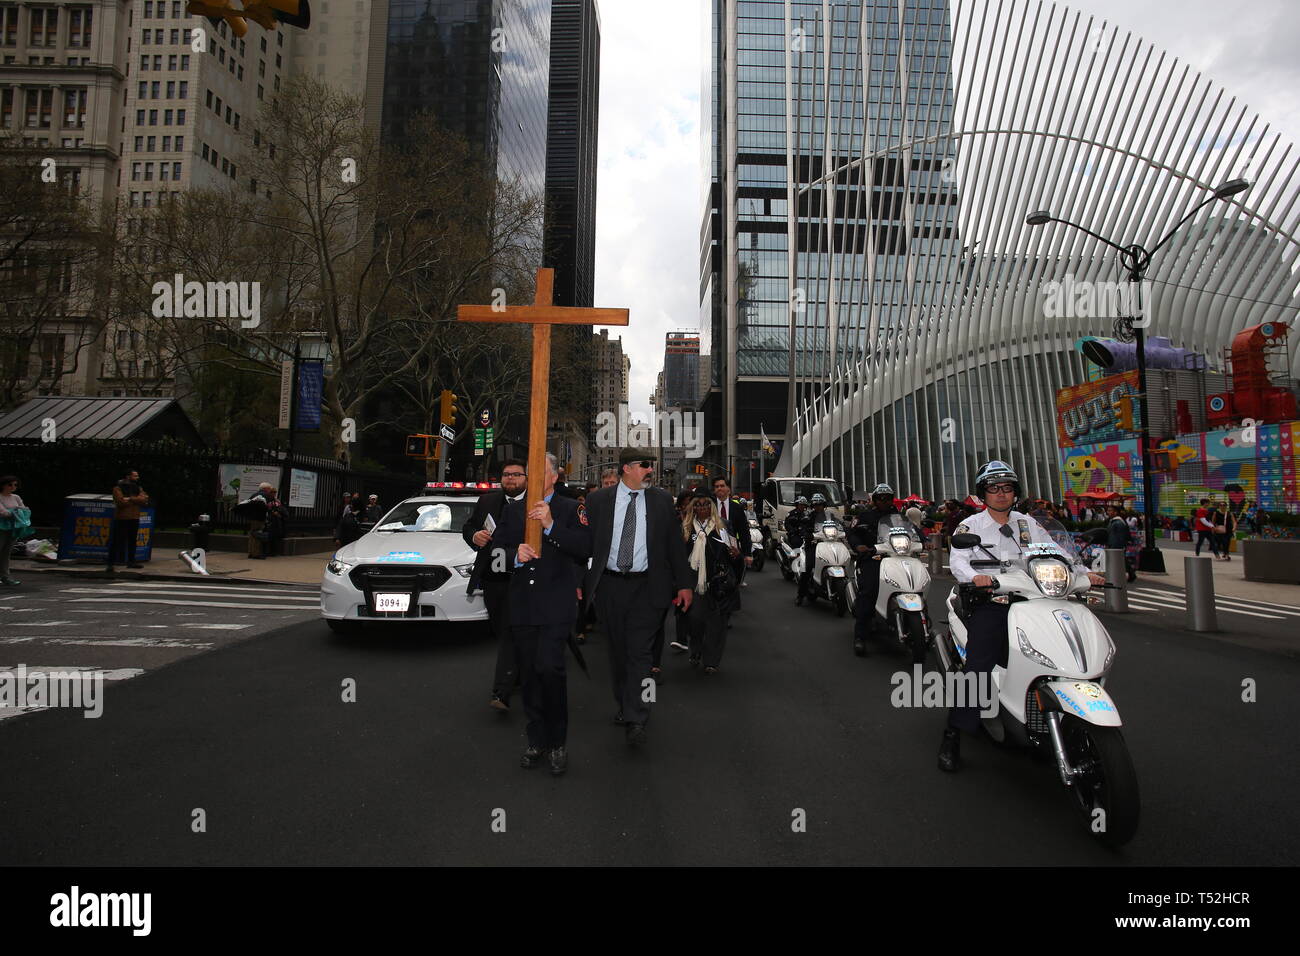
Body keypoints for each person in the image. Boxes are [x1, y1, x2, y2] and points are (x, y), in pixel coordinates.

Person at [938, 461, 1104, 773]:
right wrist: (974, 577)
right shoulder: (970, 526)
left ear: (1015, 492)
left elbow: (1057, 552)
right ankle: (953, 734)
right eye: (993, 488)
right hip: (994, 600)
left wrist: (1084, 572)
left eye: (1007, 488)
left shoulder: (1027, 523)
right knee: (979, 663)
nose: (1001, 494)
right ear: (983, 493)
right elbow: (958, 559)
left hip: (1036, 598)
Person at [582, 447, 693, 747]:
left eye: (651, 466)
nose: (650, 471)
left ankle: (640, 713)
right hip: (610, 587)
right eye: (645, 466)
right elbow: (584, 545)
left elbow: (673, 547)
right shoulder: (597, 501)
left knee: (641, 655)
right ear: (626, 468)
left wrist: (684, 584)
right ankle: (625, 704)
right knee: (619, 654)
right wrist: (579, 582)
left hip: (649, 588)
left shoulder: (660, 502)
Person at [494, 453, 592, 776]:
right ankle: (535, 739)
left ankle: (557, 742)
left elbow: (583, 548)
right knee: (531, 674)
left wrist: (550, 526)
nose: (535, 477)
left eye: (541, 471)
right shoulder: (512, 511)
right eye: (530, 472)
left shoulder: (569, 508)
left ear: (554, 477)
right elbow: (496, 553)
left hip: (555, 606)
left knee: (550, 669)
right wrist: (514, 557)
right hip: (523, 606)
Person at [462, 459, 529, 711]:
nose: (510, 478)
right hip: (493, 578)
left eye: (516, 475)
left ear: (526, 478)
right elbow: (468, 527)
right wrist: (474, 536)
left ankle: (501, 691)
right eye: (506, 474)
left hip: (521, 578)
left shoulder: (536, 502)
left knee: (511, 630)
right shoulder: (487, 501)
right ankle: (518, 673)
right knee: (502, 631)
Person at [681, 491, 738, 674]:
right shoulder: (686, 528)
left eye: (706, 504)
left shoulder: (723, 526)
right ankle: (696, 648)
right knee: (695, 620)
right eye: (698, 504)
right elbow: (678, 555)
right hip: (692, 581)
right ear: (693, 507)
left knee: (717, 623)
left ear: (711, 507)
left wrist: (735, 554)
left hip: (716, 582)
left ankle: (711, 660)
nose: (702, 508)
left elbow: (734, 552)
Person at [847, 484, 900, 656]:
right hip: (873, 558)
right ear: (875, 500)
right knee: (869, 591)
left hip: (896, 557)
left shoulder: (898, 516)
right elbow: (852, 533)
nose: (885, 501)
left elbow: (913, 530)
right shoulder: (865, 516)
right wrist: (859, 546)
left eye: (888, 498)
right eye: (881, 498)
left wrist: (925, 539)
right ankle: (860, 637)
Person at [711, 475, 751, 613]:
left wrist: (747, 553)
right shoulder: (709, 505)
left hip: (733, 550)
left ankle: (728, 609)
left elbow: (744, 531)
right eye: (716, 486)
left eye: (722, 486)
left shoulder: (736, 508)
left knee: (732, 580)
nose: (719, 489)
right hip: (713, 550)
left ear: (728, 488)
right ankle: (717, 608)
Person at [107, 469, 149, 572]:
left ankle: (131, 561)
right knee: (116, 541)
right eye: (135, 476)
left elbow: (144, 500)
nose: (137, 478)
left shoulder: (138, 488)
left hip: (134, 517)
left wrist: (129, 499)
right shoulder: (118, 488)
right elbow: (120, 502)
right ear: (128, 476)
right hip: (122, 518)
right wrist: (136, 500)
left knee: (132, 540)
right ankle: (110, 563)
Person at [795, 493, 833, 606]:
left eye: (820, 504)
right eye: (816, 505)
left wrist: (843, 529)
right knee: (807, 567)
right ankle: (800, 595)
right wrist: (806, 534)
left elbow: (838, 524)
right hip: (813, 545)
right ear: (812, 505)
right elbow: (803, 528)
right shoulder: (809, 517)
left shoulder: (830, 516)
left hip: (828, 543)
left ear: (824, 505)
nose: (818, 507)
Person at [0, 475, 28, 586]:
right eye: (10, 484)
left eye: (15, 485)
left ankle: (5, 576)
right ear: (3, 485)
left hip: (13, 527)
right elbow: (3, 512)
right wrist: (15, 512)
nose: (13, 487)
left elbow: (24, 508)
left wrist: (17, 511)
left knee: (6, 553)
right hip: (1, 527)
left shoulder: (16, 497)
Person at [244, 482, 274, 559]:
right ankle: (256, 554)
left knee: (252, 535)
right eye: (269, 489)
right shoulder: (266, 496)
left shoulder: (254, 495)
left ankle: (251, 552)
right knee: (258, 535)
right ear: (266, 489)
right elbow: (268, 506)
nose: (270, 491)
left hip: (252, 517)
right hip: (259, 518)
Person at [264, 487, 289, 557]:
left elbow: (280, 509)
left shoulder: (277, 501)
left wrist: (278, 513)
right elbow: (267, 509)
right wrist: (273, 512)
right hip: (271, 520)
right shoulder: (268, 500)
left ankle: (273, 552)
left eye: (275, 493)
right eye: (273, 492)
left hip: (276, 521)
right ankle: (270, 551)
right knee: (270, 537)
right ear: (270, 493)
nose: (274, 494)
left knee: (275, 537)